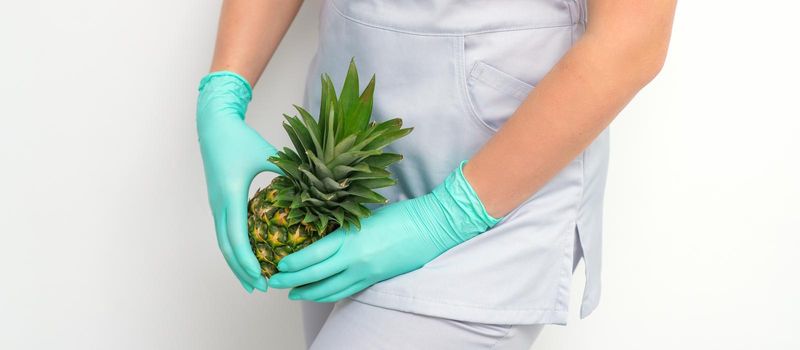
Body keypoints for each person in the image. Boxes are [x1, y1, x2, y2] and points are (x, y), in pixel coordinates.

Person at [196, 0, 676, 348]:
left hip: (498, 191)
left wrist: (447, 215)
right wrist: (225, 89)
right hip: (347, 170)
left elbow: (632, 40)